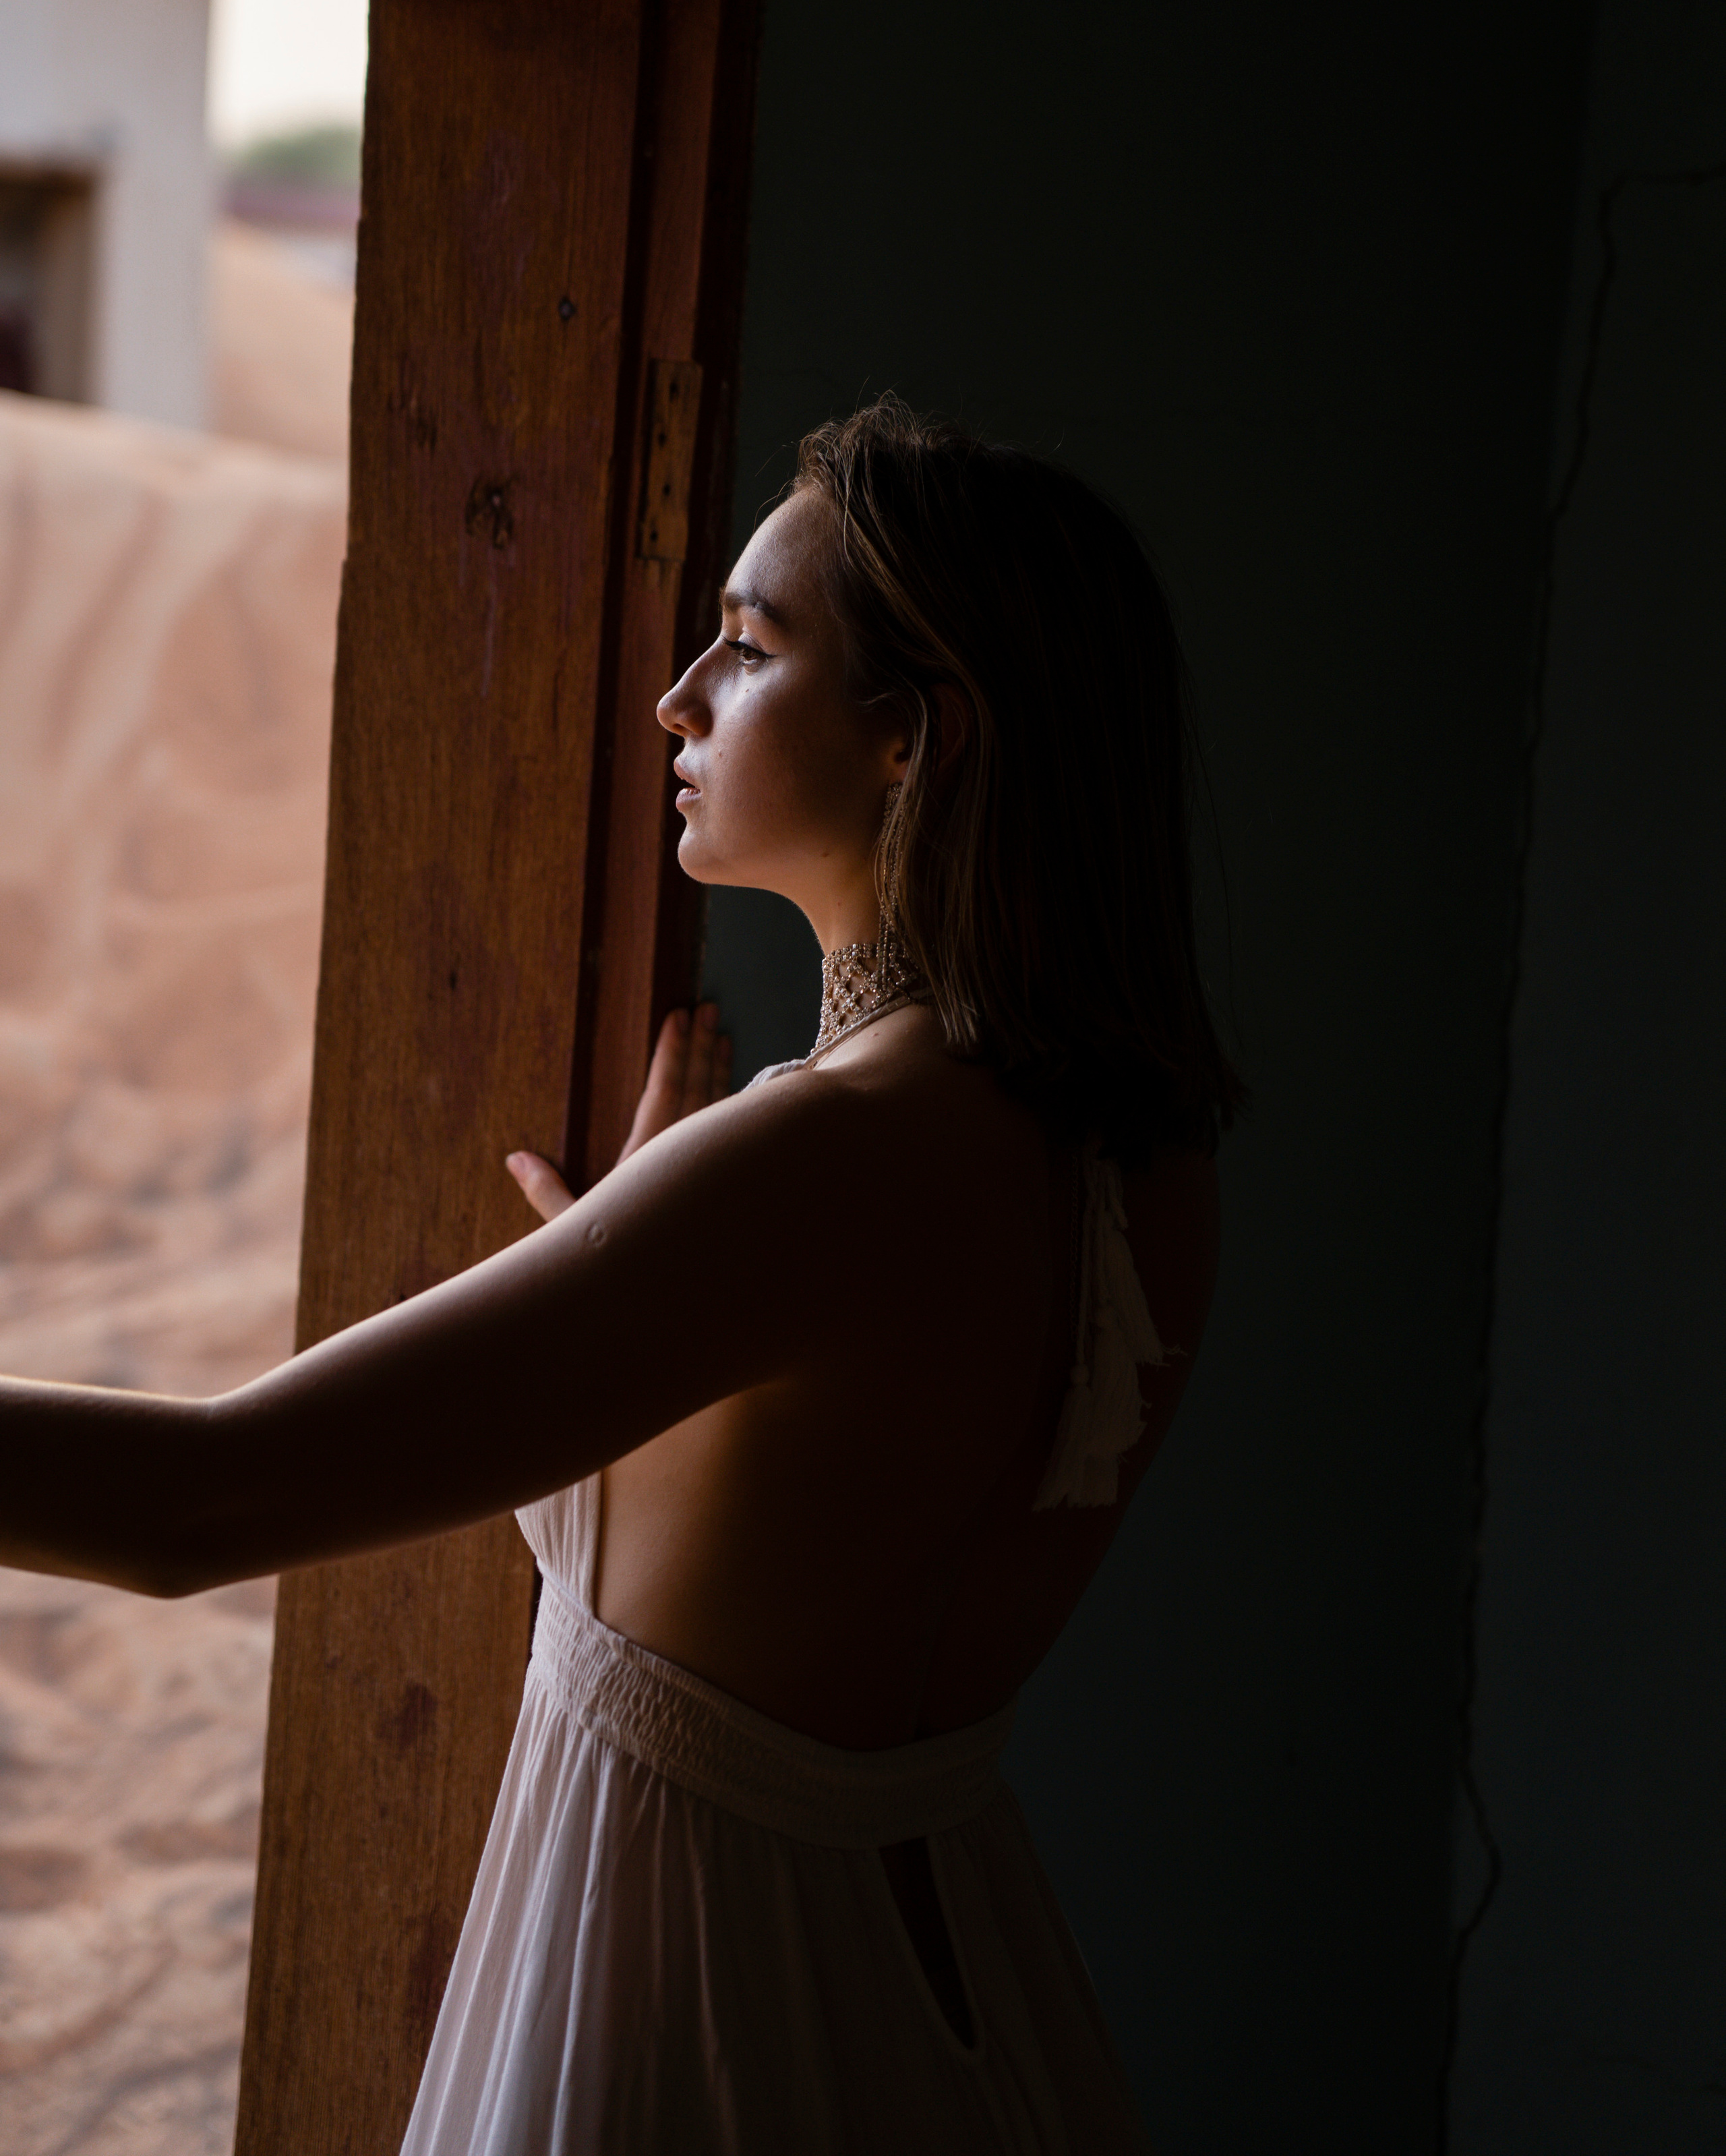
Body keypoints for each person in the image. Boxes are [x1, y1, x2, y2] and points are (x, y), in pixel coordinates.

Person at [0, 396, 1241, 2152]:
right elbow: (836, 1537)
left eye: (751, 647)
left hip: (683, 2013)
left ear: (915, 738)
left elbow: (200, 1499)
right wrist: (648, 1252)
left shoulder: (816, 1168)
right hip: (961, 1996)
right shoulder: (1143, 1159)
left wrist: (681, 1236)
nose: (677, 698)